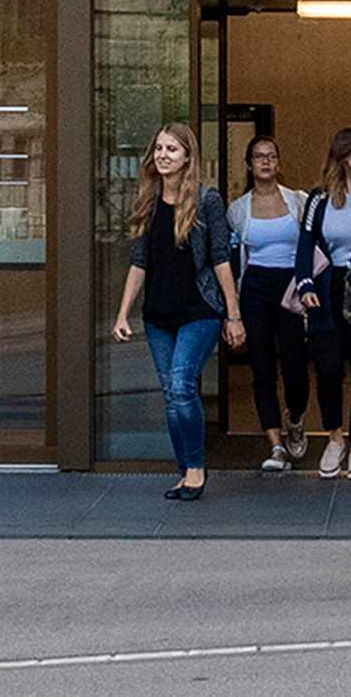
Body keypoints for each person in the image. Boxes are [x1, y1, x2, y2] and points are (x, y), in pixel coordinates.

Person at [112, 124, 244, 501]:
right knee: (171, 392)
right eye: (159, 148)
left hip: (199, 310)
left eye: (172, 149)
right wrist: (123, 314)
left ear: (188, 156)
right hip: (158, 314)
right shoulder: (147, 201)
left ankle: (197, 467)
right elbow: (138, 263)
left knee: (183, 384)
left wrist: (233, 314)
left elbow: (220, 258)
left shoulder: (207, 200)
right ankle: (184, 469)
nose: (163, 155)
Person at [294, 127, 351, 481]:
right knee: (329, 366)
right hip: (327, 287)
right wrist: (304, 284)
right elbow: (305, 244)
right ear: (344, 153)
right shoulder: (319, 200)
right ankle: (333, 436)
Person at [227, 136, 315, 472]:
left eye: (271, 156)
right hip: (256, 287)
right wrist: (231, 310)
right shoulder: (238, 209)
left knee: (295, 367)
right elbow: (235, 258)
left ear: (279, 163)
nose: (265, 162)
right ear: (249, 164)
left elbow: (311, 246)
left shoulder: (298, 201)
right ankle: (275, 445)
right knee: (261, 367)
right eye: (259, 157)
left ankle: (295, 418)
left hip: (291, 286)